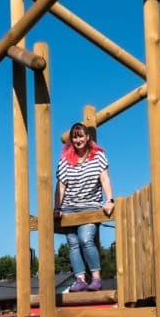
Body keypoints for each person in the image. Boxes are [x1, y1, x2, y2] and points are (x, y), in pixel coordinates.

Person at [54, 122, 114, 292]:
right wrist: (57, 207)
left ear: (87, 137)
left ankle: (96, 278)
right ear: (71, 141)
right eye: (75, 137)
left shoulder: (98, 156)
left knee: (85, 240)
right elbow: (61, 186)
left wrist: (110, 200)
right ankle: (80, 279)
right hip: (69, 208)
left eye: (81, 136)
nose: (78, 139)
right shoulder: (66, 160)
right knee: (73, 244)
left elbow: (105, 179)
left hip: (90, 206)